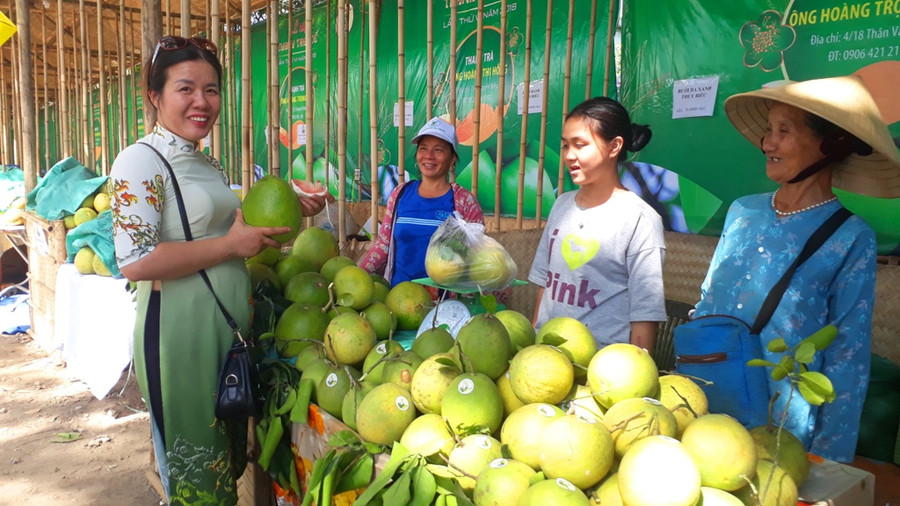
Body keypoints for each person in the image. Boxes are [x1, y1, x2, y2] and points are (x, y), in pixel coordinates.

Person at [109, 36, 320, 504]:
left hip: (224, 333)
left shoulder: (205, 160)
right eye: (186, 88)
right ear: (154, 96)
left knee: (224, 469)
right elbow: (136, 260)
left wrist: (293, 207)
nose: (202, 102)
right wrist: (228, 246)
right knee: (197, 480)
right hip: (179, 336)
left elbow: (234, 230)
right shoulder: (140, 160)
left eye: (212, 89)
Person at [695, 75, 900, 462]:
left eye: (783, 131)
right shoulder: (742, 211)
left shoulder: (851, 238)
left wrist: (828, 457)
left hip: (779, 422)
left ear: (831, 144)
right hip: (704, 394)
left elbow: (847, 354)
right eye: (768, 130)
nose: (767, 143)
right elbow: (707, 299)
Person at [529, 97, 666, 351]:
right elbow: (545, 285)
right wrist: (535, 339)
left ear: (614, 146)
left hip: (601, 369)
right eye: (565, 145)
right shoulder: (561, 205)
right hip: (546, 358)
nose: (569, 155)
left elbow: (645, 314)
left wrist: (633, 370)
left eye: (580, 145)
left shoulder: (639, 220)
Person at [359, 117, 484, 286]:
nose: (429, 156)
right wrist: (359, 275)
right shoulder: (400, 193)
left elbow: (477, 253)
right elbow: (383, 244)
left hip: (444, 302)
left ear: (452, 158)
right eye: (423, 149)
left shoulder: (464, 201)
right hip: (399, 296)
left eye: (438, 150)